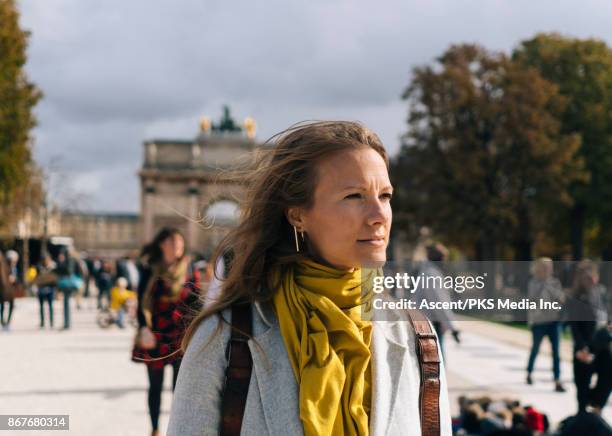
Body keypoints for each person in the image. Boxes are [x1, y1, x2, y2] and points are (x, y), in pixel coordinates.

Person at [167, 121, 452, 436]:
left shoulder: (417, 337)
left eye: (385, 196)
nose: (379, 215)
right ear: (298, 215)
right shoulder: (223, 337)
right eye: (354, 196)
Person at [132, 227, 201, 436]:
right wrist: (144, 327)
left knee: (179, 389)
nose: (178, 247)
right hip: (156, 333)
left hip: (180, 335)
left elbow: (197, 301)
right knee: (155, 386)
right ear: (163, 245)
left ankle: (175, 428)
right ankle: (154, 429)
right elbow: (142, 301)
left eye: (180, 243)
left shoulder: (189, 269)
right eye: (173, 243)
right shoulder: (149, 269)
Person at [567, 260, 611, 414]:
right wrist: (581, 347)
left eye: (592, 275)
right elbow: (574, 326)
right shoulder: (576, 298)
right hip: (584, 346)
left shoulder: (603, 293)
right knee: (582, 383)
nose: (590, 279)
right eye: (586, 276)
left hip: (603, 345)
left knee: (607, 377)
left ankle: (597, 406)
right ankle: (582, 415)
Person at [525, 257, 566, 392]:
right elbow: (533, 300)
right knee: (535, 348)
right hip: (539, 321)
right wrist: (542, 286)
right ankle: (529, 373)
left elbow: (561, 299)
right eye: (545, 268)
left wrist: (552, 290)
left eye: (549, 268)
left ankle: (557, 380)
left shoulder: (555, 282)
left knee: (556, 351)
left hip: (554, 321)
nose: (548, 270)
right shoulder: (533, 283)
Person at [55, 248, 84, 330]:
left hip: (68, 284)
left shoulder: (69, 260)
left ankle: (67, 323)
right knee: (66, 303)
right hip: (69, 283)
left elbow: (68, 271)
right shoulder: (73, 260)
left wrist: (60, 263)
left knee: (66, 304)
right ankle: (67, 323)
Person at [35, 255, 58, 329]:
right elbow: (35, 279)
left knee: (50, 306)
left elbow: (55, 280)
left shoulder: (52, 268)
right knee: (41, 307)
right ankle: (42, 322)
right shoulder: (38, 268)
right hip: (41, 290)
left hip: (50, 289)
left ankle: (51, 322)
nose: (46, 261)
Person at [0, 251, 15, 332]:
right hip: (4, 289)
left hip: (9, 289)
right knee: (2, 305)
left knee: (10, 305)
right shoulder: (3, 265)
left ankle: (7, 322)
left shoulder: (8, 264)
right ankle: (3, 322)